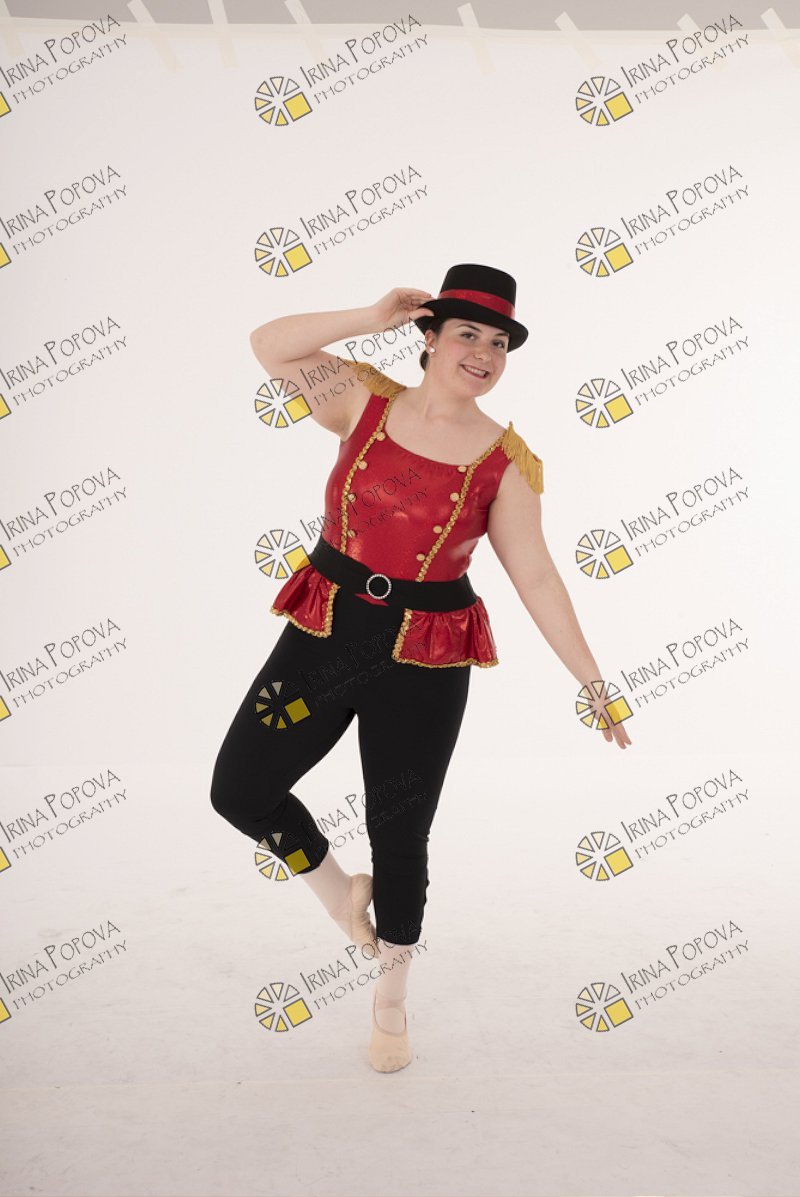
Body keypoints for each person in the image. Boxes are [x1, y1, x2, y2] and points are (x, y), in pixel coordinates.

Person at [210, 263, 632, 1074]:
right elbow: (268, 344)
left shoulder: (507, 462)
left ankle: (392, 994)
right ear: (429, 336)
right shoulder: (359, 400)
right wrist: (368, 315)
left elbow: (537, 576)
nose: (484, 353)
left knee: (400, 830)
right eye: (467, 333)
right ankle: (340, 892)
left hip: (427, 652)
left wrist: (592, 680)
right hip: (326, 629)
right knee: (240, 787)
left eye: (499, 342)